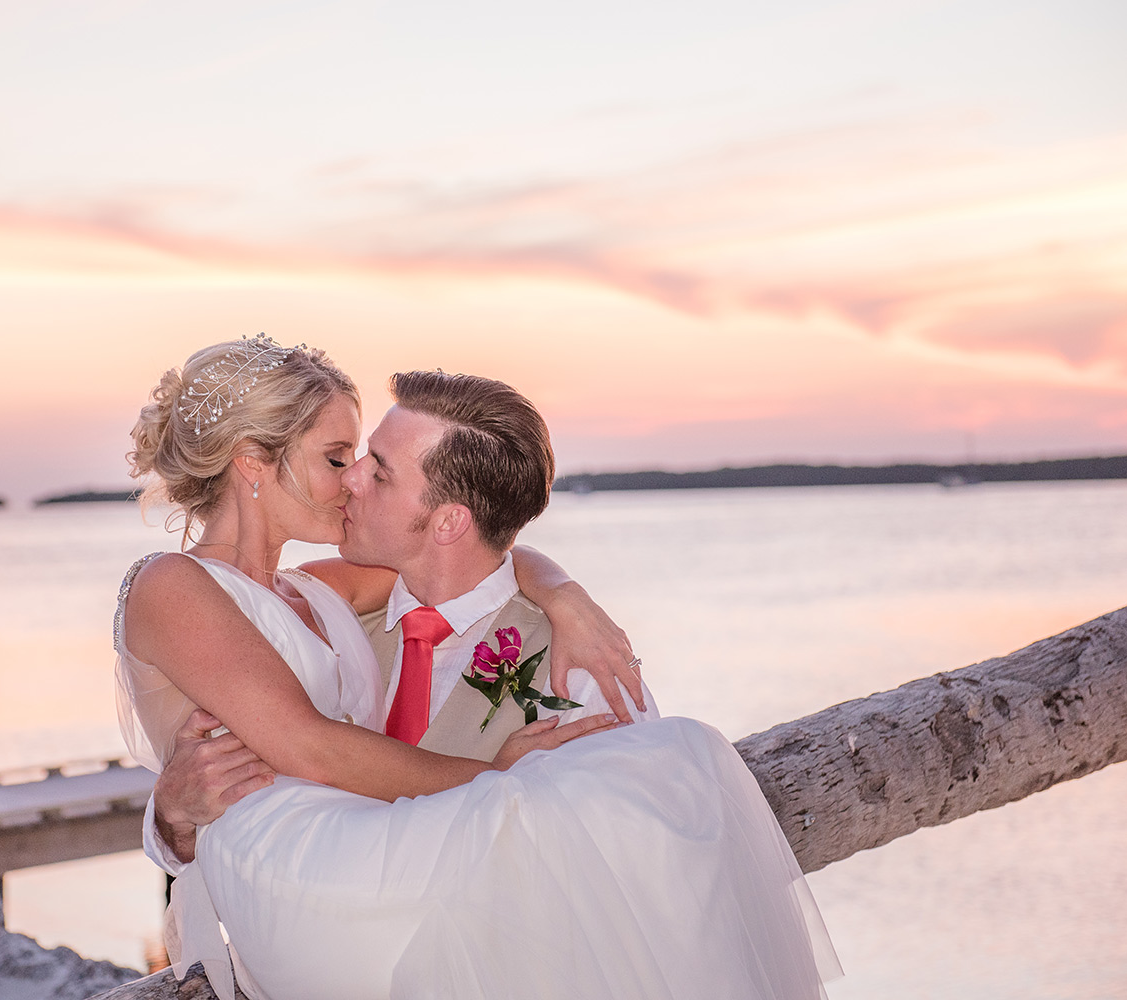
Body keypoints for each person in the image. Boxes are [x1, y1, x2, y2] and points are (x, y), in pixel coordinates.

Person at [116, 336, 841, 999]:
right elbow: (309, 745)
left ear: (446, 518)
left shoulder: (321, 591)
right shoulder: (174, 585)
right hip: (301, 872)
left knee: (661, 765)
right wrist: (500, 777)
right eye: (339, 458)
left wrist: (562, 594)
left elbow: (490, 555)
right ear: (251, 463)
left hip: (378, 864)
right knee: (567, 809)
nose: (353, 480)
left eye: (368, 466)